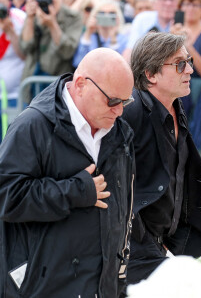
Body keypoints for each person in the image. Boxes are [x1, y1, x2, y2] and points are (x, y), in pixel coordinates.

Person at [0, 48, 135, 298]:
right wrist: (76, 191)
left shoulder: (120, 132)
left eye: (125, 102)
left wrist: (118, 279)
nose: (119, 111)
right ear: (81, 84)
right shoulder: (32, 126)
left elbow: (123, 214)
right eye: (113, 101)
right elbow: (7, 196)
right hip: (43, 287)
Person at [122, 32, 201, 291]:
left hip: (158, 244)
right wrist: (140, 239)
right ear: (151, 74)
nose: (190, 70)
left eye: (189, 61)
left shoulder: (175, 108)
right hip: (134, 249)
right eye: (180, 64)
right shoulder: (131, 111)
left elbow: (177, 178)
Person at [19, 0, 83, 103]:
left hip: (58, 86)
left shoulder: (73, 17)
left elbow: (67, 51)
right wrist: (30, 18)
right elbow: (25, 47)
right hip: (31, 84)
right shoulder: (34, 13)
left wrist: (52, 24)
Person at [72, 0, 128, 68]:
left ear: (118, 17)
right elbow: (77, 62)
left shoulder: (124, 39)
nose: (106, 16)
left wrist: (113, 38)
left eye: (111, 14)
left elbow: (120, 66)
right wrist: (88, 32)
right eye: (102, 13)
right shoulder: (89, 37)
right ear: (95, 15)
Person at [0, 0, 25, 141]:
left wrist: (10, 31)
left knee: (12, 140)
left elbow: (24, 54)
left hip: (15, 94)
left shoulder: (19, 18)